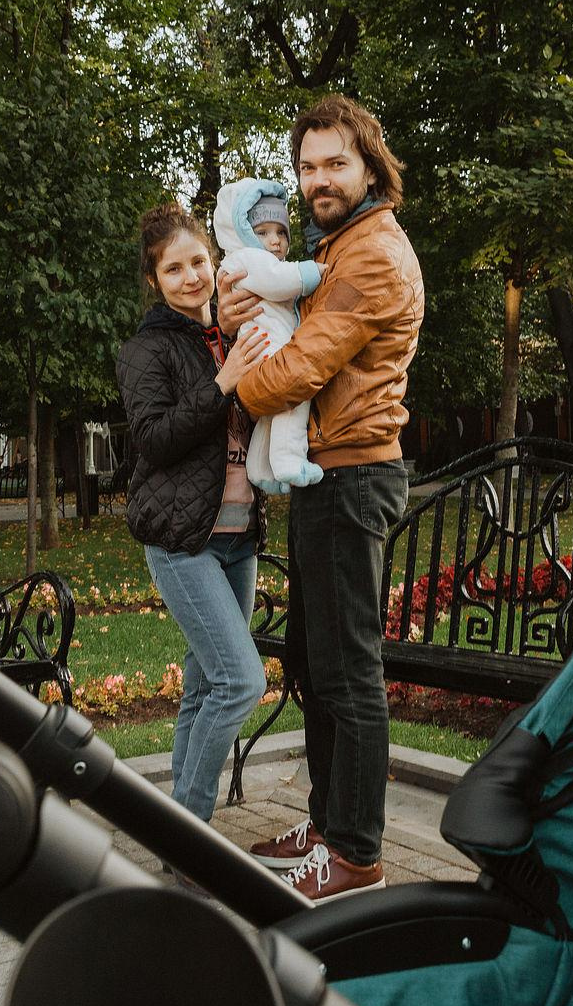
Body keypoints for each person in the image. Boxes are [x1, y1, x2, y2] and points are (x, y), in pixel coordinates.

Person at [220, 94, 424, 902]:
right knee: (313, 660)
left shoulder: (372, 252)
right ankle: (327, 821)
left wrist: (230, 391)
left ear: (370, 165)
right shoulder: (338, 246)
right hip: (324, 477)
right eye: (306, 167)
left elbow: (304, 366)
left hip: (351, 475)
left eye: (335, 162)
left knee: (348, 671)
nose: (317, 179)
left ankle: (357, 854)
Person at [116, 202, 273, 833]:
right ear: (154, 280)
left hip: (240, 536)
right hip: (185, 545)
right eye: (173, 268)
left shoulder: (233, 333)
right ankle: (192, 838)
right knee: (240, 682)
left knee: (205, 688)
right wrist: (224, 382)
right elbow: (153, 440)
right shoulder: (145, 351)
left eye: (198, 261)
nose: (190, 277)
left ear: (215, 262)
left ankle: (173, 828)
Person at [210, 176, 326, 494]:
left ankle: (261, 467)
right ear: (244, 232)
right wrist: (311, 272)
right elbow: (279, 280)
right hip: (266, 347)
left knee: (270, 414)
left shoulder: (250, 259)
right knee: (294, 396)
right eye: (262, 233)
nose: (275, 241)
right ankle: (289, 461)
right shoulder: (247, 259)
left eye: (280, 233)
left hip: (259, 347)